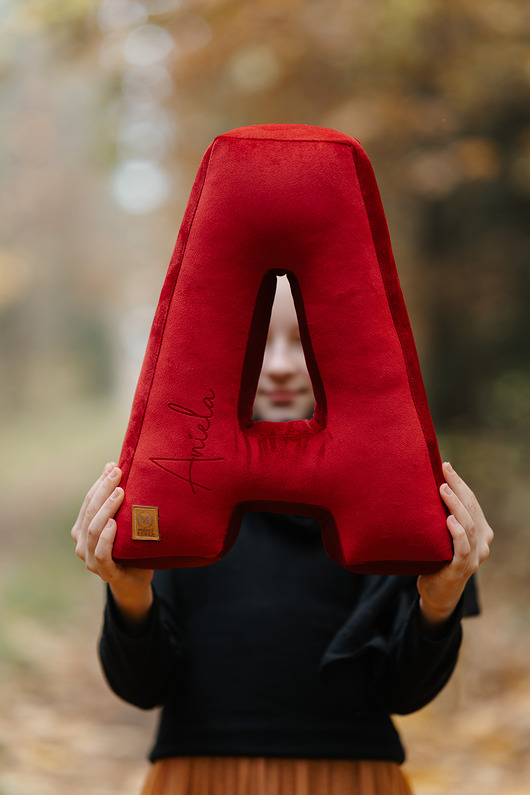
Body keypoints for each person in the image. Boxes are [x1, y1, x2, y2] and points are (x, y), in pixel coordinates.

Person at [72, 276, 493, 794]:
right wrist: (129, 592)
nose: (279, 365)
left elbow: (404, 691)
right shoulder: (175, 490)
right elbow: (144, 687)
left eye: (305, 339)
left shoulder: (402, 499)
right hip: (199, 777)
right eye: (257, 341)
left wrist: (441, 600)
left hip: (356, 778)